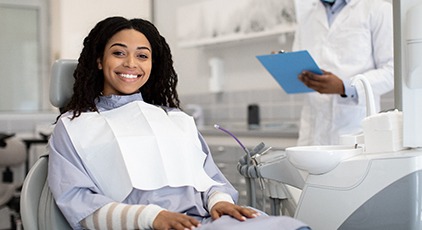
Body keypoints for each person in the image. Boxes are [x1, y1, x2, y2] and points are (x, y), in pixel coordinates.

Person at [47, 16, 310, 230]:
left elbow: (211, 180)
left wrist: (219, 202)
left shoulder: (176, 120)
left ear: (152, 64)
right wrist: (151, 218)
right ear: (99, 60)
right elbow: (78, 203)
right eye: (119, 53)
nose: (131, 63)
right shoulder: (74, 127)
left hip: (209, 220)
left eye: (142, 56)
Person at [293, 0, 394, 145]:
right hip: (311, 134)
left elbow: (392, 71)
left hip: (355, 130)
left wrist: (344, 87)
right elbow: (299, 64)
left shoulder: (378, 9)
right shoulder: (307, 17)